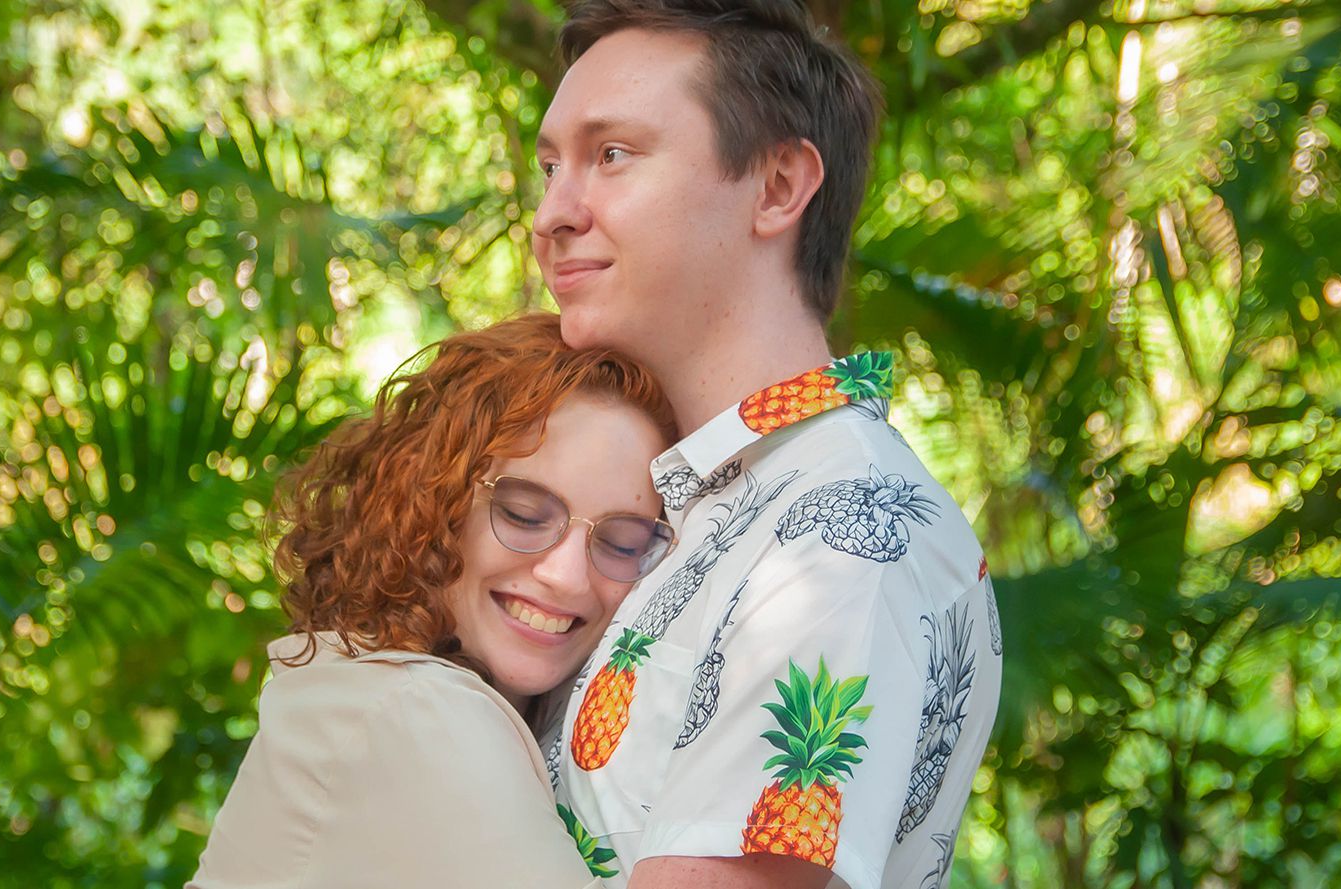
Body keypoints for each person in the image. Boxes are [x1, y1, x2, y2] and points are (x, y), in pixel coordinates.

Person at [529, 2, 1003, 887]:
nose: (552, 212)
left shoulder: (844, 536)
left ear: (778, 186)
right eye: (550, 165)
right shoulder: (688, 506)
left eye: (612, 155)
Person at [186, 314, 678, 888]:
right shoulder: (420, 710)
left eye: (622, 542)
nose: (567, 577)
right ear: (434, 508)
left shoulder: (374, 683)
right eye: (522, 514)